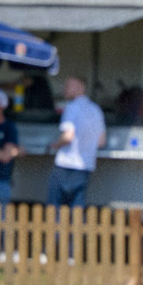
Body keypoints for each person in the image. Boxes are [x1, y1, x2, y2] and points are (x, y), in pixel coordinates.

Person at [47, 75, 106, 209]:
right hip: (85, 167)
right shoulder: (96, 110)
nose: (64, 89)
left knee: (54, 211)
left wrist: (56, 144)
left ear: (81, 87)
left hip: (66, 165)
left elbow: (68, 137)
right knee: (77, 212)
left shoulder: (72, 107)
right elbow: (101, 141)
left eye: (68, 86)